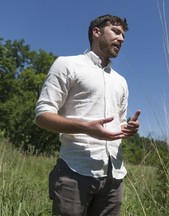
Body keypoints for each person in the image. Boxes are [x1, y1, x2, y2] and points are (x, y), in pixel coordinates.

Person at [35, 14, 140, 216]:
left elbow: (119, 123)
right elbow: (42, 115)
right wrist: (85, 128)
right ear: (96, 32)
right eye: (116, 32)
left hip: (114, 176)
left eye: (123, 36)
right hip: (75, 171)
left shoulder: (121, 81)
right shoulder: (67, 64)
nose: (121, 39)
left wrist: (128, 129)